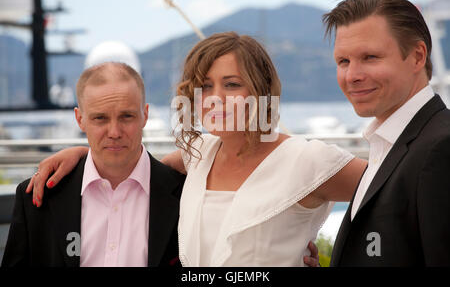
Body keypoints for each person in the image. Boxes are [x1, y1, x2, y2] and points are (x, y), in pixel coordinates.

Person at [25, 32, 367, 266]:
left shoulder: (307, 159)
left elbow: (394, 186)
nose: (215, 97)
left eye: (232, 84)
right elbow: (135, 166)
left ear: (261, 91)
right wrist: (84, 154)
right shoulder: (198, 154)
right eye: (204, 86)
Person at [1, 62, 185, 267]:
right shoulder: (37, 197)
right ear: (80, 119)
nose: (114, 132)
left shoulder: (186, 193)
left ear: (145, 115)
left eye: (126, 116)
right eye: (100, 118)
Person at [323, 0, 450, 266]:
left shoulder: (442, 147)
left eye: (370, 57)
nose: (352, 75)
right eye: (343, 61)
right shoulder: (390, 145)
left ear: (417, 56)